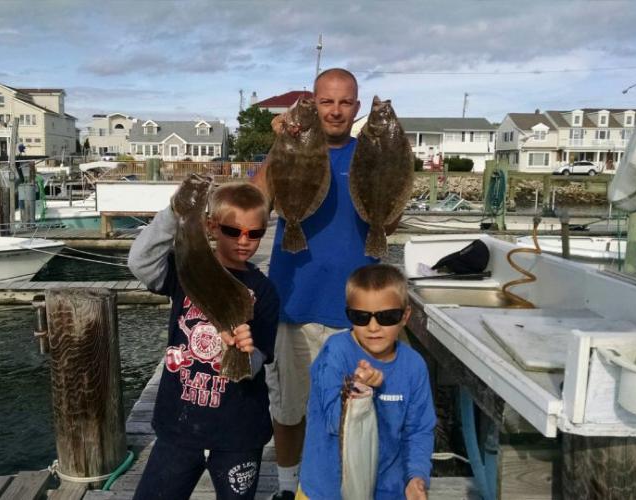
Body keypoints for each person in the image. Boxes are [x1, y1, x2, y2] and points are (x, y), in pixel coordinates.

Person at [252, 68, 398, 499]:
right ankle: (285, 487)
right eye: (326, 101)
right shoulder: (292, 147)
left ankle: (339, 487)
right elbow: (255, 204)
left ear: (356, 107)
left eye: (345, 102)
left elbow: (392, 218)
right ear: (313, 104)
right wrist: (282, 145)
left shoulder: (371, 152)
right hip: (294, 301)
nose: (336, 110)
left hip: (357, 310)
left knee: (350, 410)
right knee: (290, 408)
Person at [128, 179, 280, 500]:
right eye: (232, 231)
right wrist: (175, 211)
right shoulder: (186, 270)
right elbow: (139, 262)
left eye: (255, 234)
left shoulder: (264, 291)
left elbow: (259, 360)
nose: (244, 241)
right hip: (179, 428)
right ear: (211, 226)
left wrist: (243, 350)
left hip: (239, 433)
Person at [298, 263, 435, 500]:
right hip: (324, 491)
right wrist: (354, 389)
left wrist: (416, 477)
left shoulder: (414, 366)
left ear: (405, 317)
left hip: (389, 491)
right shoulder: (335, 353)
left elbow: (419, 431)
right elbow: (333, 421)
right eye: (361, 317)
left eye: (387, 317)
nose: (373, 327)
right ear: (348, 315)